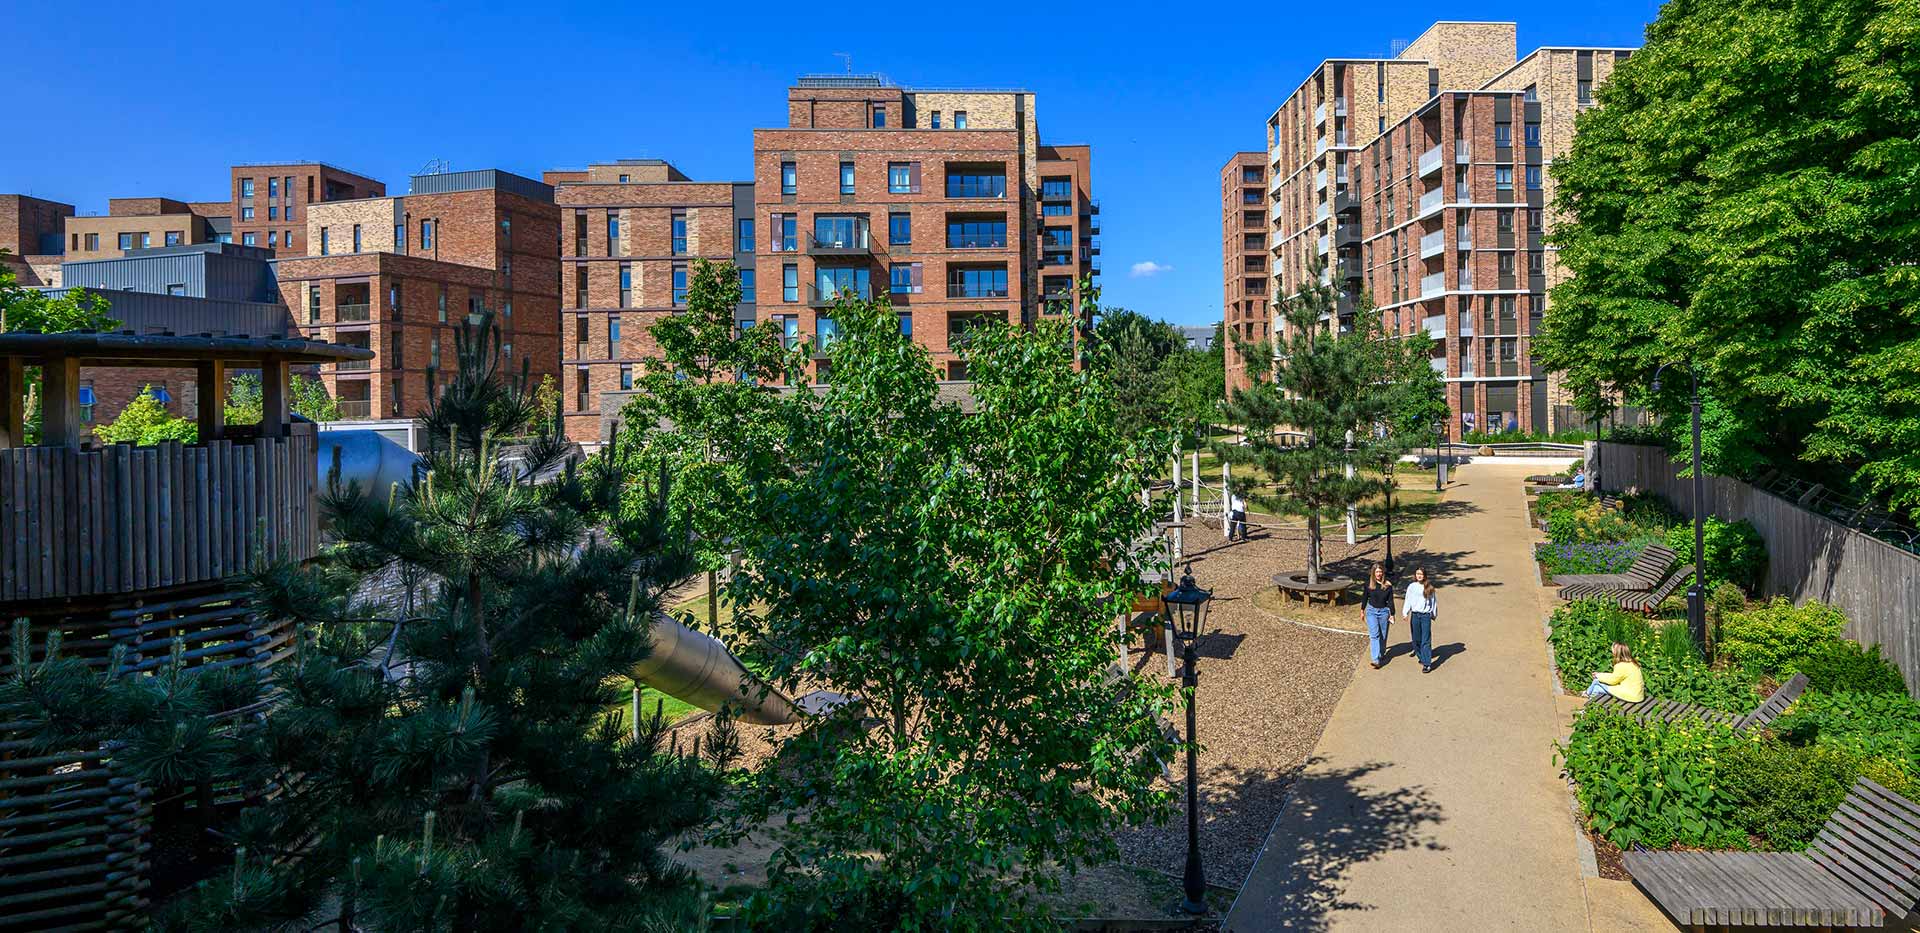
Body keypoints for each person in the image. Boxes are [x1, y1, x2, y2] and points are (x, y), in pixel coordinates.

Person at [1403, 567, 1438, 673]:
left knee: (1426, 640)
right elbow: (1408, 599)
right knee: (1416, 639)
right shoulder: (1412, 587)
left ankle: (1427, 664)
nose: (1419, 576)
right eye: (1417, 573)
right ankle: (1421, 656)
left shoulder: (1429, 588)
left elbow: (1433, 602)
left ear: (1424, 576)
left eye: (1421, 574)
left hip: (1425, 616)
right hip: (1415, 615)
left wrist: (1433, 614)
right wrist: (1405, 612)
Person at [1362, 564, 1394, 669]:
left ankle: (1381, 653)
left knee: (1383, 635)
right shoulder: (1368, 584)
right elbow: (1365, 597)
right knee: (1374, 635)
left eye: (1380, 572)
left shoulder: (1388, 586)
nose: (1379, 574)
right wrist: (1362, 610)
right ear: (1373, 573)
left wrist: (1392, 614)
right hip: (1371, 611)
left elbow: (1390, 601)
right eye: (1377, 572)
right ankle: (1375, 659)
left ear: (1383, 573)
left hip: (1384, 611)